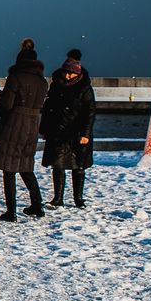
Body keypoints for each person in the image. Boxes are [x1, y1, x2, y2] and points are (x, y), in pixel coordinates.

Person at [0, 38, 47, 221]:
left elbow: (8, 104)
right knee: (26, 167)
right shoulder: (42, 81)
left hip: (15, 124)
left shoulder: (16, 77)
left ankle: (11, 211)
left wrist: (1, 97)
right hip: (32, 125)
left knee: (9, 168)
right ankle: (37, 205)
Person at [40, 49, 96, 208]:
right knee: (58, 166)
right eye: (66, 72)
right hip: (57, 131)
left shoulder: (85, 88)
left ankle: (78, 198)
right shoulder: (56, 85)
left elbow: (90, 113)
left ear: (77, 73)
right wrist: (45, 129)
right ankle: (58, 198)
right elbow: (48, 108)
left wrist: (85, 133)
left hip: (76, 133)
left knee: (78, 167)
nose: (67, 76)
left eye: (71, 73)